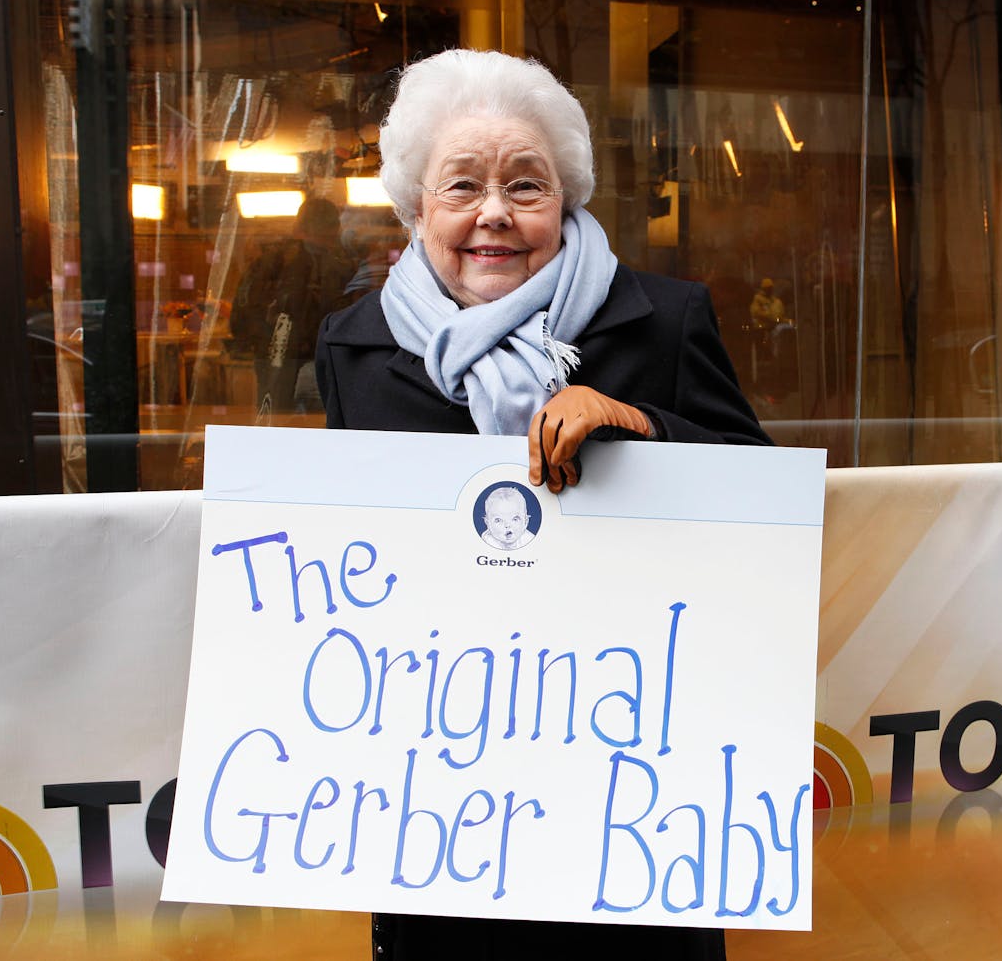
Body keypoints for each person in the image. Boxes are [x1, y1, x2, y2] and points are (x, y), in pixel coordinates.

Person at [315, 48, 768, 961]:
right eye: (462, 186)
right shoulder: (353, 347)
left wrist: (640, 423)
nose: (494, 213)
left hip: (631, 792)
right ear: (416, 207)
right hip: (440, 809)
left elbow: (767, 511)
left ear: (567, 199)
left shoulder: (665, 320)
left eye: (526, 185)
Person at [229, 197, 352, 416]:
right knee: (318, 421)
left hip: (281, 354)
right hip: (312, 355)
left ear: (299, 224)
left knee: (274, 417)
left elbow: (243, 313)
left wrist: (261, 343)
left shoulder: (271, 260)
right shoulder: (340, 264)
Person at [479, 484, 534, 549]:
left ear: (526, 522)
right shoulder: (487, 542)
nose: (507, 525)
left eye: (515, 519)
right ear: (487, 523)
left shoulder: (528, 539)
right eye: (498, 520)